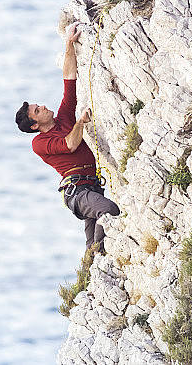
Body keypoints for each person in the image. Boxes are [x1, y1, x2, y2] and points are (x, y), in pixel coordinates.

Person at [15, 22, 120, 253]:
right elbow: (70, 145)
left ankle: (92, 271)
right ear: (35, 125)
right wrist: (80, 122)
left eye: (38, 105)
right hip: (78, 194)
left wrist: (69, 43)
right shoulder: (39, 143)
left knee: (92, 245)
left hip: (91, 187)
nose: (42, 106)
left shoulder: (62, 118)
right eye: (37, 110)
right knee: (109, 210)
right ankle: (97, 259)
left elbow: (69, 77)